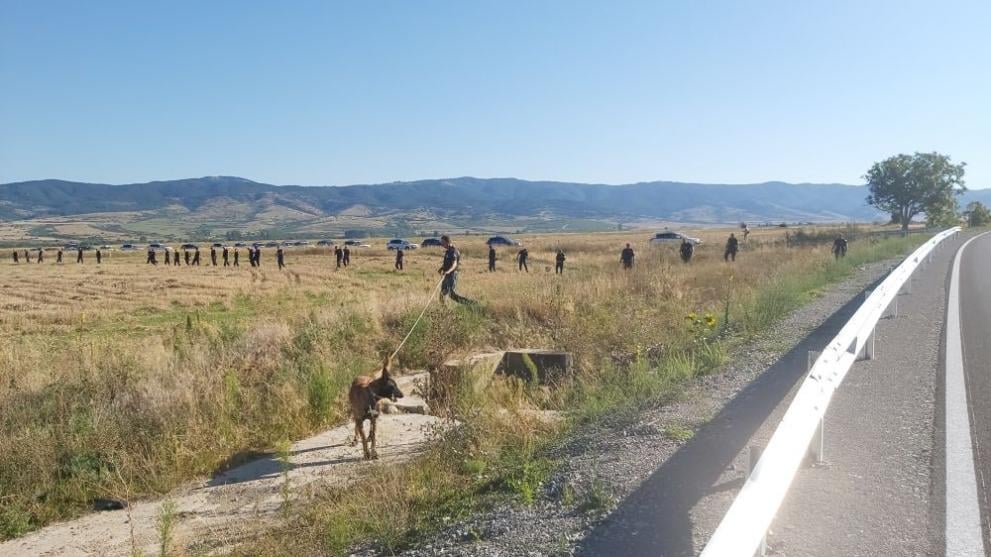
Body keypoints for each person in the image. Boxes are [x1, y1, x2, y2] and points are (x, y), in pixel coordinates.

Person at [438, 235, 475, 305]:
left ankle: (470, 303)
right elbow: (446, 263)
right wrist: (441, 268)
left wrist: (448, 271)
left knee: (452, 294)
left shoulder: (454, 251)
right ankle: (444, 311)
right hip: (446, 275)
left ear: (447, 242)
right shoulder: (447, 251)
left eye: (443, 242)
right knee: (442, 294)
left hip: (452, 275)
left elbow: (454, 264)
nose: (442, 244)